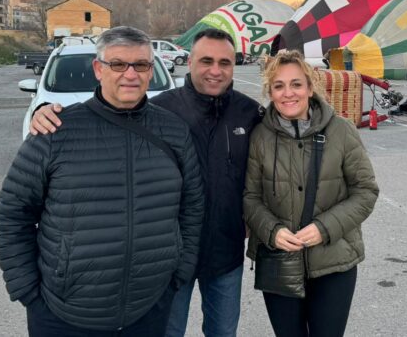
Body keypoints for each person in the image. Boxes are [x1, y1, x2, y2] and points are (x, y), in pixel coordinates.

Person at [29, 28, 264, 337]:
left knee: (223, 332)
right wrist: (44, 112)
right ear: (189, 61)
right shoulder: (162, 110)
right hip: (169, 257)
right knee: (168, 332)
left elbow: (278, 152)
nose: (215, 70)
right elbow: (106, 113)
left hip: (226, 251)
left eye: (225, 62)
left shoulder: (250, 113)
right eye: (206, 60)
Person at [0, 26, 204, 336]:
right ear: (98, 69)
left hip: (148, 309)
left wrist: (178, 274)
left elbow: (192, 206)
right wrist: (28, 291)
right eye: (118, 64)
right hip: (63, 314)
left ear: (151, 70)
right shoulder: (56, 131)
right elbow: (12, 215)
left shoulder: (173, 131)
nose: (130, 74)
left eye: (141, 65)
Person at [244, 50, 379, 337]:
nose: (288, 93)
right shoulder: (259, 137)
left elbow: (365, 191)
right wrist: (272, 230)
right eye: (278, 86)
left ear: (309, 86)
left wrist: (324, 228)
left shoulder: (341, 130)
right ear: (270, 91)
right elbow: (250, 197)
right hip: (278, 260)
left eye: (296, 84)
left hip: (334, 262)